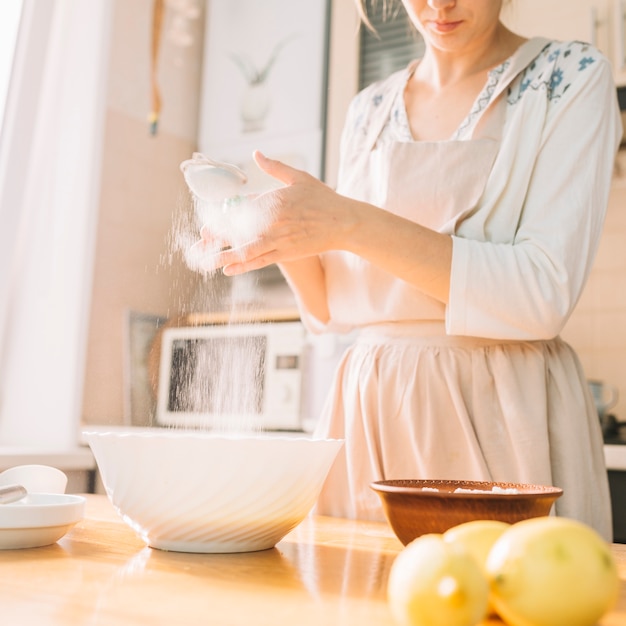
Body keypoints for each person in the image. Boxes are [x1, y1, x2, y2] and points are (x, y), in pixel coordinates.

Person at [202, 0, 622, 541]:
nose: (439, 4)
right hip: (367, 414)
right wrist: (280, 228)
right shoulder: (369, 108)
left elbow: (539, 295)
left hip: (497, 412)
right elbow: (330, 308)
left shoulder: (570, 77)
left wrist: (349, 222)